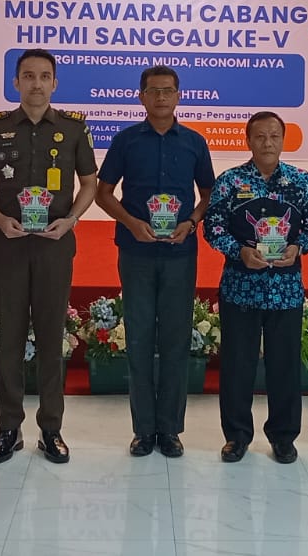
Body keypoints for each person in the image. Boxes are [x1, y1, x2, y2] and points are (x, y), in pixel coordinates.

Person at [0, 48, 99, 465]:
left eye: (44, 76)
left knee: (49, 336)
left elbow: (89, 183)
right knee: (9, 337)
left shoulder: (74, 128)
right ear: (16, 82)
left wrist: (72, 220)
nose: (36, 84)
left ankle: (51, 429)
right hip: (8, 243)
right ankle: (9, 429)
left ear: (55, 83)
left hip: (54, 244)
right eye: (28, 76)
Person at [94, 65, 215, 458]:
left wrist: (191, 222)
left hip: (180, 253)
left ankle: (171, 429)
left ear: (179, 96)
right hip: (137, 253)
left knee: (176, 340)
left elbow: (209, 194)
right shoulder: (125, 141)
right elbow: (103, 193)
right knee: (140, 338)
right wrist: (131, 223)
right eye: (153, 91)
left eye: (168, 91)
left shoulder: (194, 143)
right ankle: (144, 429)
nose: (161, 97)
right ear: (141, 97)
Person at [201, 111, 308, 465]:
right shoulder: (230, 181)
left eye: (274, 136)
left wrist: (298, 246)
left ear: (283, 140)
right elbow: (213, 226)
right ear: (248, 141)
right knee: (237, 366)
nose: (267, 143)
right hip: (240, 288)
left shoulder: (300, 182)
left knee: (284, 366)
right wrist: (238, 251)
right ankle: (237, 436)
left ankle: (284, 437)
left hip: (285, 290)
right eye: (260, 137)